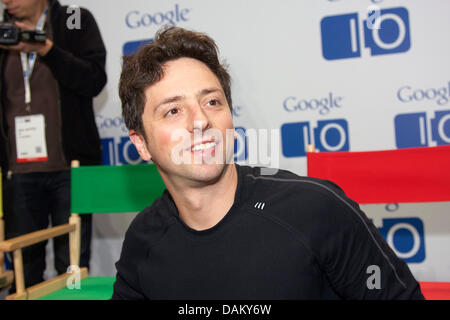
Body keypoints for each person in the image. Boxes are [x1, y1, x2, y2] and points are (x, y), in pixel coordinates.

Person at [112, 26, 424, 300]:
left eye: (212, 102)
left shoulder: (315, 209)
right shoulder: (144, 239)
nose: (201, 120)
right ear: (141, 143)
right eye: (173, 111)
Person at [0, 0, 106, 289]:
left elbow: (94, 79)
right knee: (25, 273)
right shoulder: (2, 29)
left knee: (71, 270)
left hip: (70, 168)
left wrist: (47, 51)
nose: (7, 1)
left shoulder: (73, 19)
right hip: (17, 171)